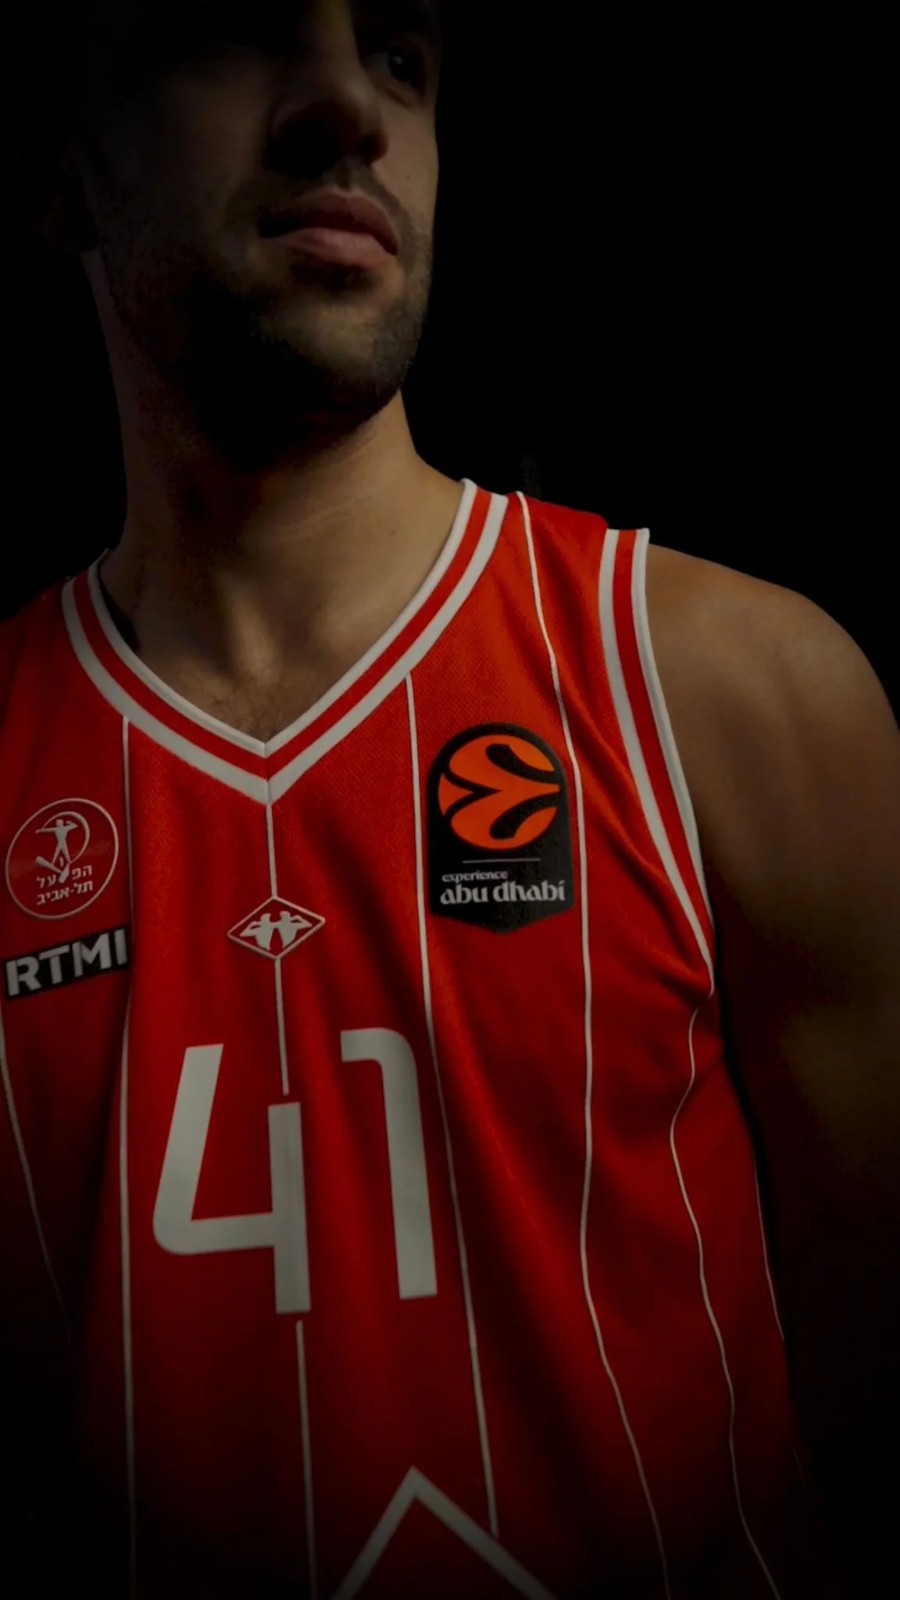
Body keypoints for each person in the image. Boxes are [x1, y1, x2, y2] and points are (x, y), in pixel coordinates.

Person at [1, 2, 897, 1595]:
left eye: (402, 55)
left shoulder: (735, 694)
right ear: (60, 169)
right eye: (239, 26)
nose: (349, 103)